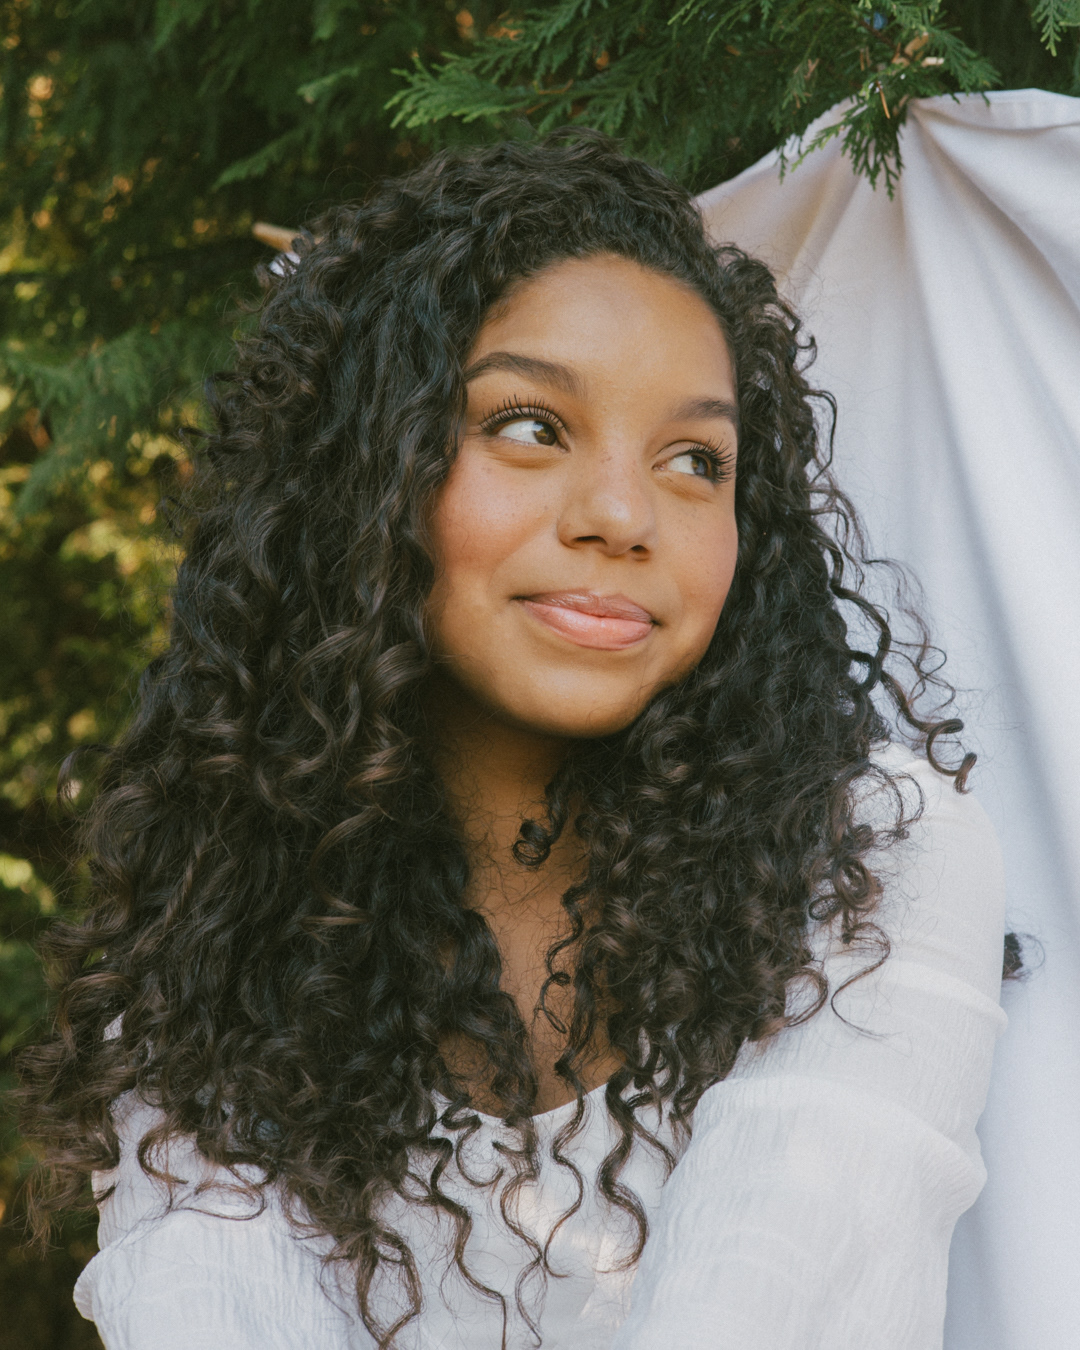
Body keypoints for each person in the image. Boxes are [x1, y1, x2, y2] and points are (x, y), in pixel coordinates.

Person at [19, 134, 1006, 1350]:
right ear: (365, 470)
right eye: (532, 426)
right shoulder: (219, 912)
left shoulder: (866, 861)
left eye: (696, 460)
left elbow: (777, 1296)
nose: (623, 515)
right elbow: (211, 1312)